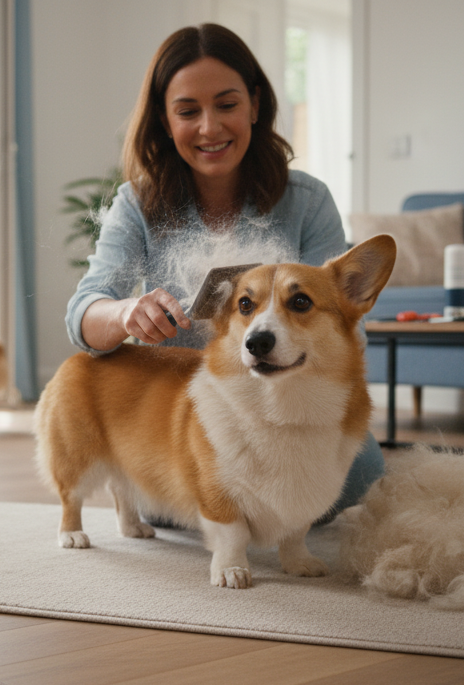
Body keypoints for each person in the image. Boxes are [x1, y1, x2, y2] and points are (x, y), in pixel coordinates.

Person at [64, 23, 383, 523]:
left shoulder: (307, 201)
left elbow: (346, 325)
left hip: (285, 404)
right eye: (188, 111)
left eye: (227, 104)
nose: (210, 128)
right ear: (165, 120)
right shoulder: (136, 204)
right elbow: (84, 314)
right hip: (183, 414)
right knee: (183, 492)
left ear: (255, 104)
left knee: (360, 474)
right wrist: (126, 312)